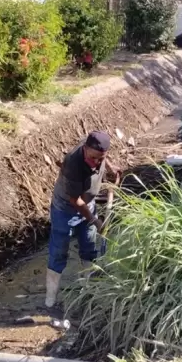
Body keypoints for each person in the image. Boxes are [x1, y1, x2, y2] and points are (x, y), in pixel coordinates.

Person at [45, 131, 120, 310]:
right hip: (65, 210)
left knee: (90, 248)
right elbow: (75, 201)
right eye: (94, 158)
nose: (97, 163)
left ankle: (88, 292)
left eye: (101, 159)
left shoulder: (96, 151)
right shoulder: (73, 164)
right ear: (85, 150)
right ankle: (50, 300)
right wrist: (94, 220)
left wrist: (109, 168)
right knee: (58, 253)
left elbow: (102, 157)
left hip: (88, 204)